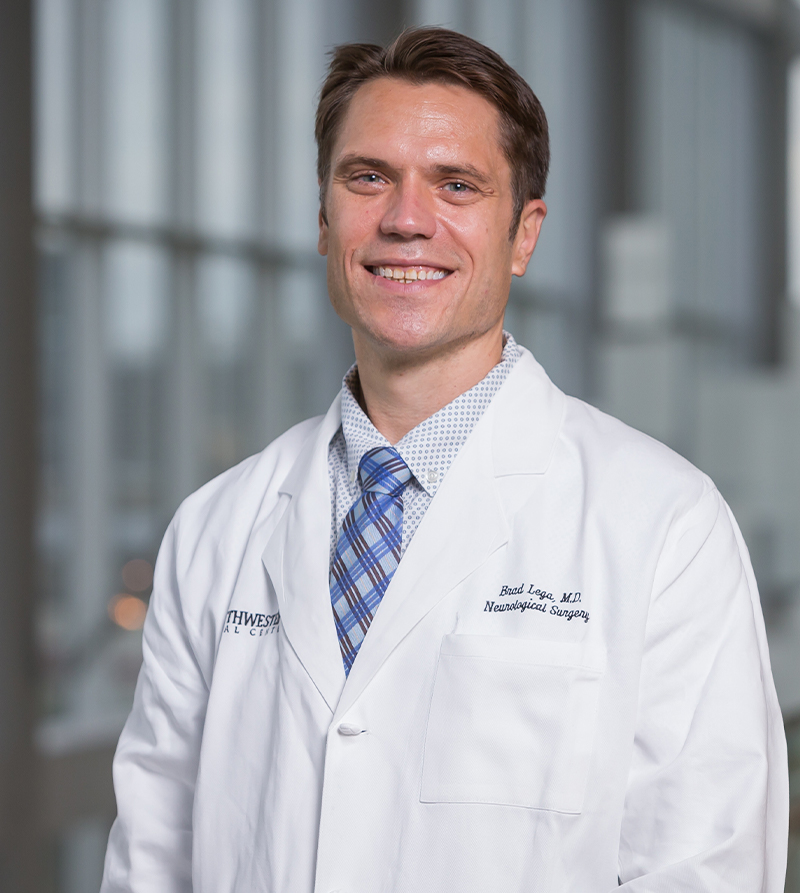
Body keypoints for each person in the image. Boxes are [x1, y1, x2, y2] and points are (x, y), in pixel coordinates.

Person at [101, 27, 788, 893]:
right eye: (367, 177)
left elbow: (703, 869)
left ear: (524, 234)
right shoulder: (215, 528)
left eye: (456, 184)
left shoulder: (663, 526)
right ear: (324, 220)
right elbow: (151, 862)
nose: (405, 219)